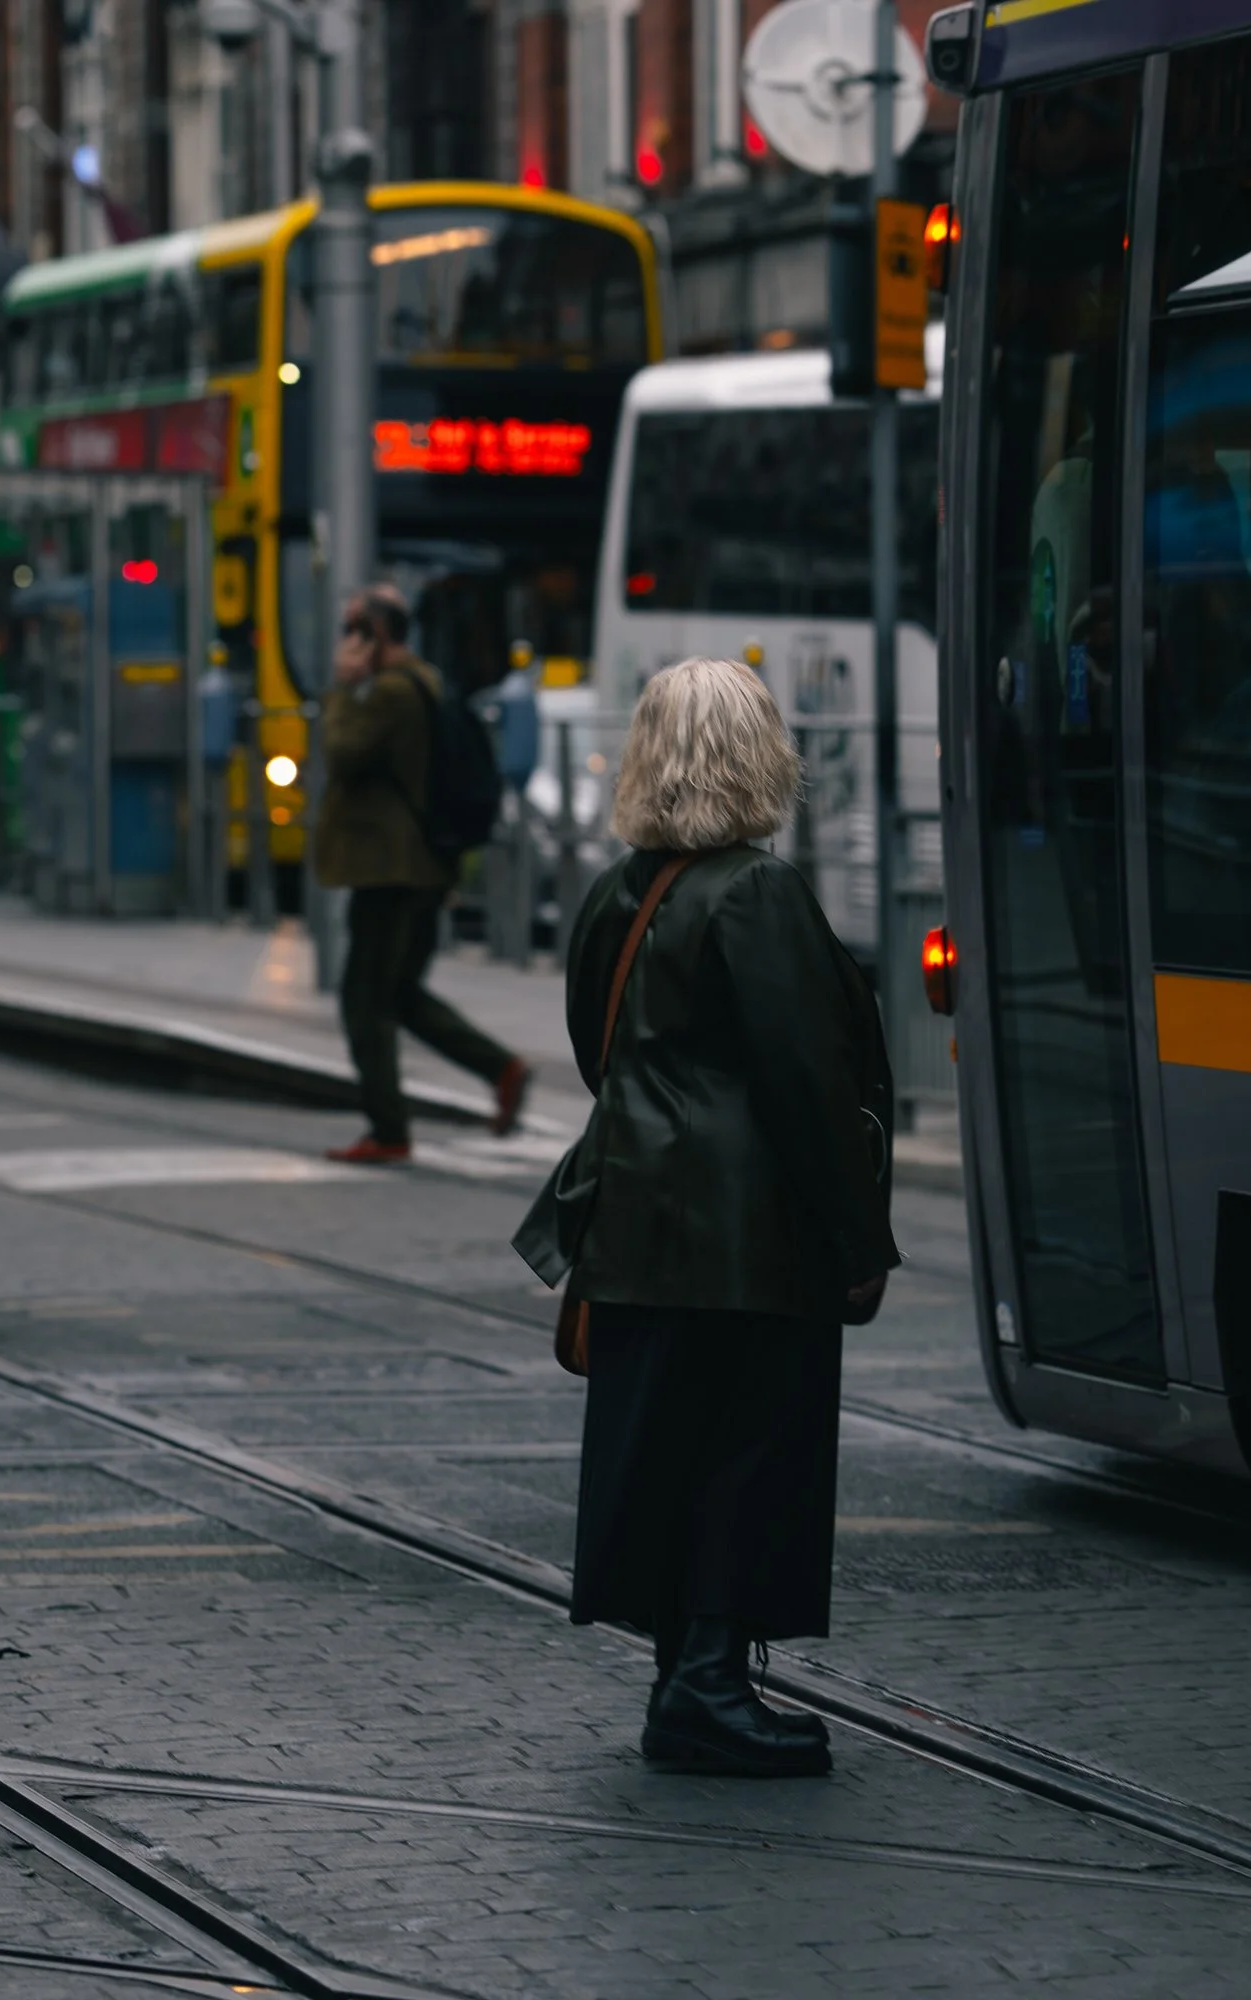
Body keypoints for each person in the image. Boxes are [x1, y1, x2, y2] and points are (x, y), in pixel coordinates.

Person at [515, 657, 900, 1778]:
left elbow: (599, 1054)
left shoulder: (619, 890)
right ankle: (710, 1684)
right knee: (748, 1448)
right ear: (757, 754)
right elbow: (810, 1082)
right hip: (747, 1236)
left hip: (632, 1221)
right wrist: (857, 1240)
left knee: (668, 1451)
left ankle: (682, 1672)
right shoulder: (755, 891)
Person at [315, 582, 529, 1164]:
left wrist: (341, 688)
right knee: (402, 994)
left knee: (364, 1001)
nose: (344, 643)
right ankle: (501, 1068)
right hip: (424, 866)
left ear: (374, 637)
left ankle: (388, 1130)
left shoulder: (389, 694)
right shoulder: (428, 680)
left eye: (351, 631)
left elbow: (340, 754)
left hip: (392, 871)